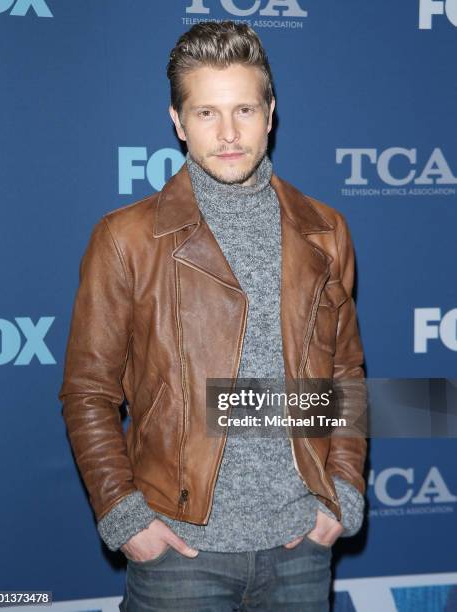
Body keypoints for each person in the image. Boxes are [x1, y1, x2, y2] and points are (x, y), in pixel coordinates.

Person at [58, 20, 367, 612]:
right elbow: (87, 391)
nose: (228, 133)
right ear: (177, 121)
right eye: (206, 113)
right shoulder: (127, 239)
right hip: (179, 555)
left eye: (244, 109)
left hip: (301, 547)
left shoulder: (325, 232)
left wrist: (343, 496)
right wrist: (125, 518)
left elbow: (345, 377)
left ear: (271, 113)